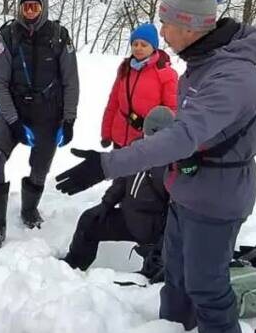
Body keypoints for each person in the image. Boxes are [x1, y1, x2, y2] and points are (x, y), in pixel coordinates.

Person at [57, 0, 256, 333]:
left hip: (217, 199)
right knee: (177, 275)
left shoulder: (232, 78)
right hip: (186, 190)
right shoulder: (203, 65)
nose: (162, 33)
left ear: (190, 26)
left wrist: (108, 164)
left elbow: (183, 135)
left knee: (207, 283)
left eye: (166, 23)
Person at [0, 0, 80, 249]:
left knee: (40, 168)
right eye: (26, 6)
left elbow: (71, 81)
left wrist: (69, 119)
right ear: (19, 7)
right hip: (14, 109)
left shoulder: (59, 36)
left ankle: (29, 210)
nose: (30, 11)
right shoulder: (8, 37)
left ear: (43, 7)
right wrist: (13, 122)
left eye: (35, 5)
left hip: (48, 113)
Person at [63, 105, 173, 280]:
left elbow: (175, 211)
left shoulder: (174, 164)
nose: (148, 140)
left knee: (154, 268)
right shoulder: (136, 150)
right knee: (89, 221)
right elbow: (121, 182)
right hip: (128, 218)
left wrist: (161, 245)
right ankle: (72, 268)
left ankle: (152, 275)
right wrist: (106, 204)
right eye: (147, 135)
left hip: (152, 227)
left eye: (154, 137)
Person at [99, 24, 178, 149]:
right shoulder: (125, 68)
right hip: (119, 137)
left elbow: (172, 111)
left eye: (144, 45)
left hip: (146, 142)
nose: (138, 48)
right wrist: (106, 133)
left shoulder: (166, 73)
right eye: (135, 44)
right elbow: (113, 102)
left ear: (154, 47)